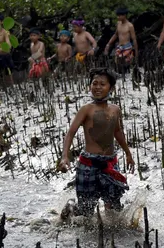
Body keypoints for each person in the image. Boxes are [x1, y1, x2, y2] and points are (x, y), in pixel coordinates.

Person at [58, 68, 136, 216]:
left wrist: (128, 154)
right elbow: (70, 133)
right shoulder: (86, 110)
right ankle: (70, 207)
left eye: (102, 84)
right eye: (94, 83)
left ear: (111, 88)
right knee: (86, 211)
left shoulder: (115, 110)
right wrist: (64, 156)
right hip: (89, 164)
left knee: (113, 207)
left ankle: (111, 234)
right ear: (90, 86)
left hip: (110, 163)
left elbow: (117, 132)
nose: (98, 87)